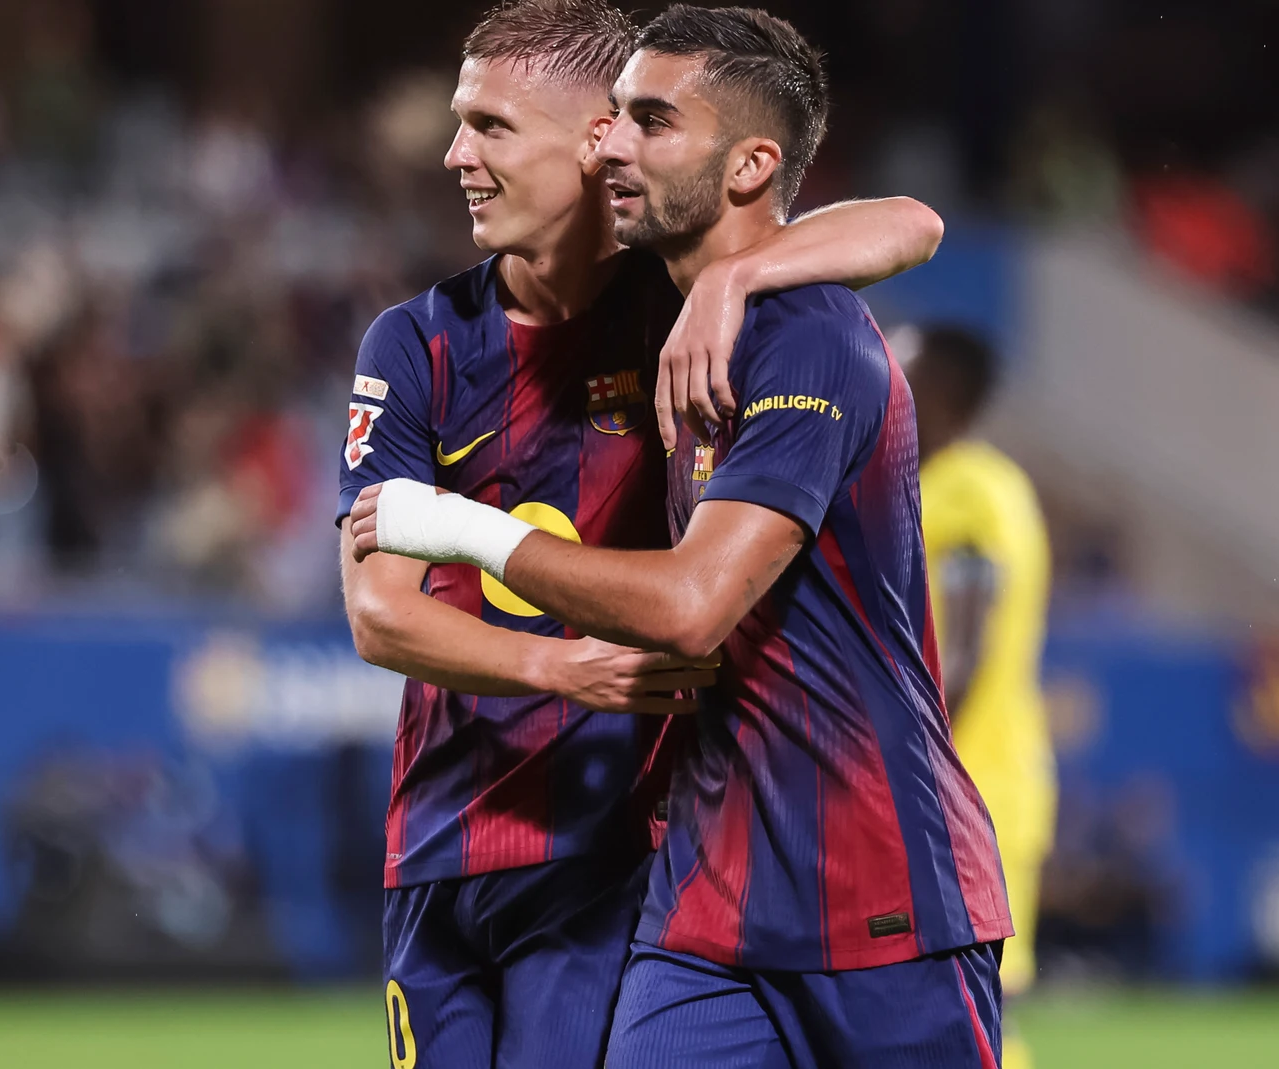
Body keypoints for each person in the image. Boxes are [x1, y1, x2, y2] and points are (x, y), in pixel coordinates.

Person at [349, 7, 1009, 1066]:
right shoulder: (431, 337)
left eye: (644, 120)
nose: (615, 141)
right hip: (699, 900)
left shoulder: (793, 332)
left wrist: (738, 278)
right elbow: (374, 607)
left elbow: (913, 222)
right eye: (615, 118)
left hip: (878, 887)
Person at [910, 324, 1055, 1069]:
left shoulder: (967, 488)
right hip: (978, 772)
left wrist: (914, 755)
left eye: (907, 368)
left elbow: (965, 645)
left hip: (971, 777)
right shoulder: (987, 482)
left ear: (945, 389)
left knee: (977, 1003)